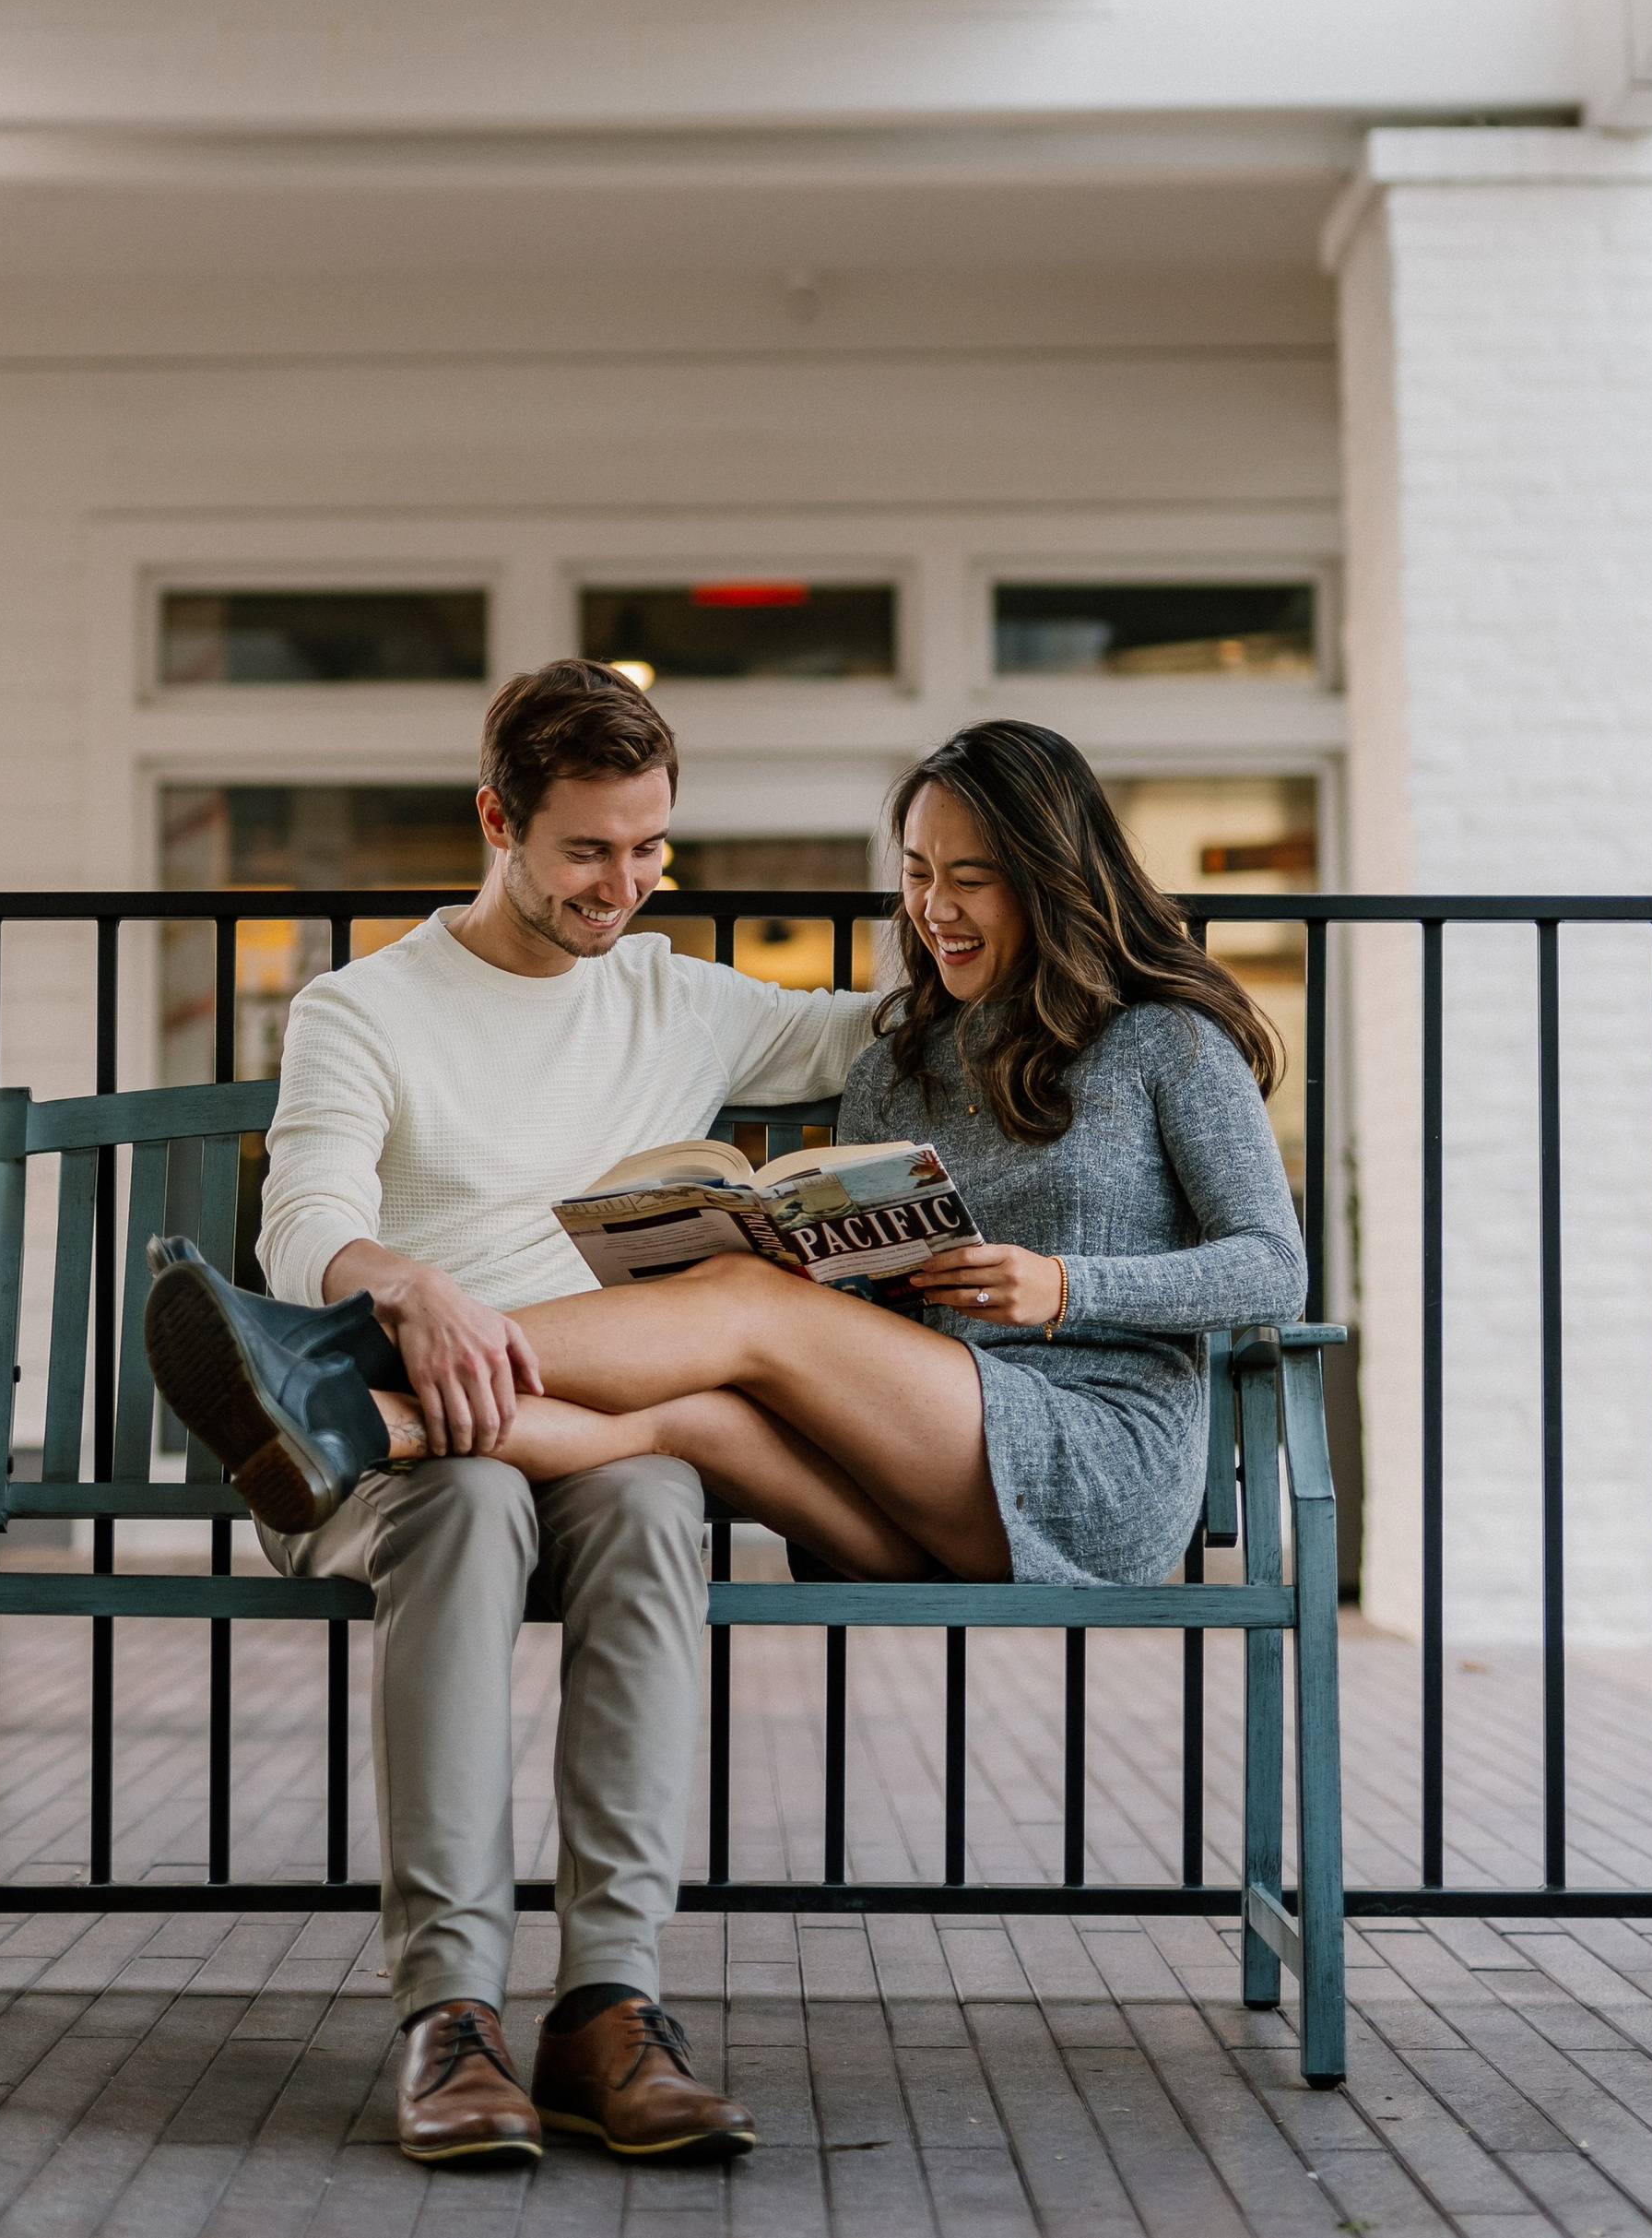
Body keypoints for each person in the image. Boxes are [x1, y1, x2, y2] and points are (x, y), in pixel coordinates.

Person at [151, 713, 1308, 1695]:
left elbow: (1272, 1268)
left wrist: (1066, 1286)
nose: (935, 911)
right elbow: (865, 1307)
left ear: (1055, 876)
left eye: (972, 878)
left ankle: (327, 1366)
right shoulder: (898, 1061)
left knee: (744, 1307)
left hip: (1094, 1459)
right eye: (915, 875)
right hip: (910, 1487)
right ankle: (368, 1427)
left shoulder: (1163, 1041)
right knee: (692, 1417)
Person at [146, 659, 879, 2170]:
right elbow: (306, 1222)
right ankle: (453, 2014)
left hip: (598, 1436)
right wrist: (400, 1284)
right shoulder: (366, 1006)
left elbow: (879, 1035)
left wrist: (1056, 946)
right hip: (387, 1435)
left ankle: (608, 2005)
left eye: (648, 847)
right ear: (499, 821)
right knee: (471, 1497)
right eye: (587, 850)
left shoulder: (685, 999)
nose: (624, 883)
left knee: (662, 1495)